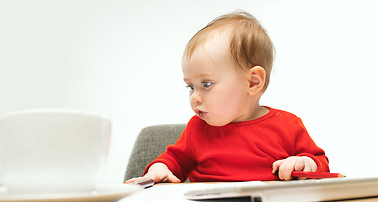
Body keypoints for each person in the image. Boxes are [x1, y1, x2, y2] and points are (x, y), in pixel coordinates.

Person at [125, 11, 329, 184]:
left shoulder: (288, 125)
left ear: (252, 82)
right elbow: (174, 159)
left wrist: (305, 163)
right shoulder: (197, 128)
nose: (195, 97)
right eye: (191, 86)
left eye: (206, 84)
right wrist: (159, 168)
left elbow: (322, 165)